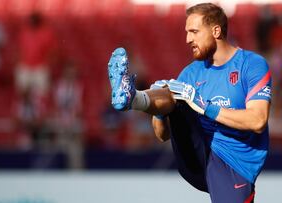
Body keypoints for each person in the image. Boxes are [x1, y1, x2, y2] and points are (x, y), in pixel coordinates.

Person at [108, 3, 271, 203]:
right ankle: (134, 98)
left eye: (194, 31)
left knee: (183, 95)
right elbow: (162, 135)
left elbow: (257, 120)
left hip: (234, 163)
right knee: (174, 93)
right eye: (187, 32)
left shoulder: (251, 64)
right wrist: (160, 109)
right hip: (196, 154)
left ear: (216, 31)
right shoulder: (191, 73)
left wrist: (204, 106)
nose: (187, 39)